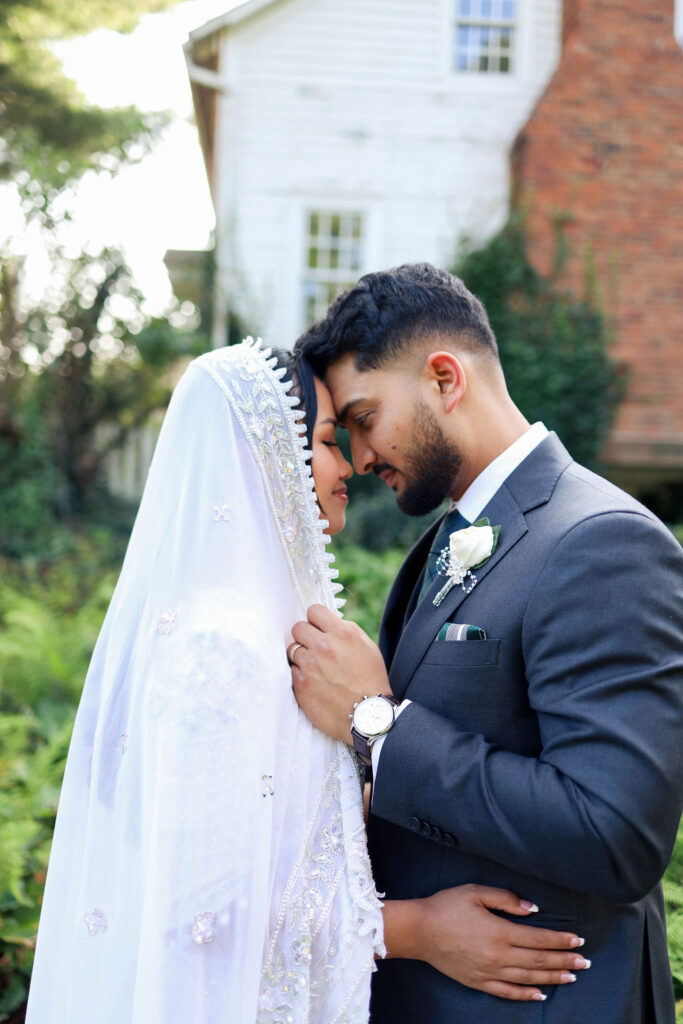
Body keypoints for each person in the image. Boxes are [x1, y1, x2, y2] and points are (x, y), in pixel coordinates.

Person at [25, 339, 582, 1023]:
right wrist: (417, 930)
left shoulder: (284, 636)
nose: (347, 463)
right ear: (261, 461)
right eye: (324, 441)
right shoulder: (218, 645)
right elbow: (199, 910)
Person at [290, 264, 683, 1023]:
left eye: (365, 418)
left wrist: (379, 726)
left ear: (443, 378)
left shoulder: (603, 543)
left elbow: (615, 835)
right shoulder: (440, 543)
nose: (362, 457)